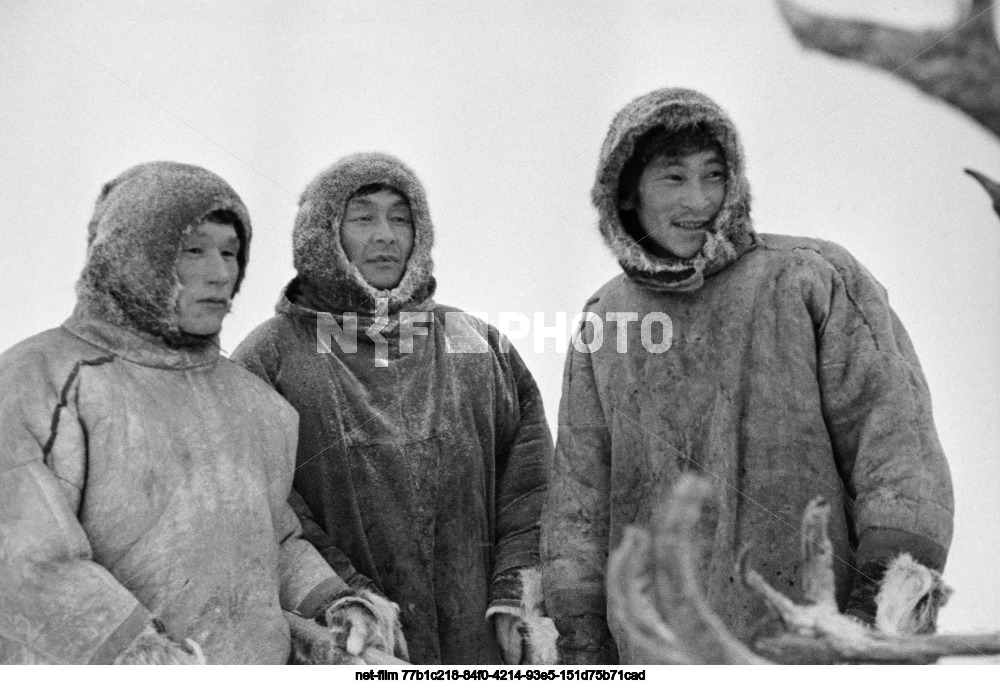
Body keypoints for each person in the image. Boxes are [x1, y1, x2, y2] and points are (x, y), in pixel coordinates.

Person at [541, 87, 955, 664]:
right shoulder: (605, 319)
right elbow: (580, 496)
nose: (700, 199)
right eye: (673, 178)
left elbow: (893, 440)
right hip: (659, 652)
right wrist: (581, 634)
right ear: (627, 194)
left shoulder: (812, 278)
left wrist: (878, 604)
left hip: (815, 641)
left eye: (714, 175)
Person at [0, 161, 402, 664]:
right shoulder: (43, 381)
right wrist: (145, 657)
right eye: (193, 250)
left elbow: (273, 539)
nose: (220, 273)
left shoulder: (255, 403)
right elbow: (25, 561)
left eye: (231, 253)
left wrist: (334, 606)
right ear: (133, 255)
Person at [232, 152, 554, 665]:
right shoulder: (270, 358)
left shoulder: (476, 345)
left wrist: (516, 595)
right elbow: (267, 512)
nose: (385, 235)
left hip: (483, 652)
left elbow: (531, 486)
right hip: (352, 653)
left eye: (400, 218)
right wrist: (351, 606)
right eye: (363, 217)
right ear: (323, 234)